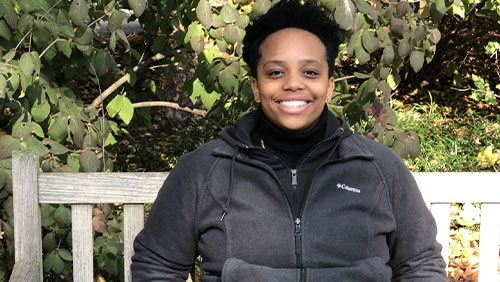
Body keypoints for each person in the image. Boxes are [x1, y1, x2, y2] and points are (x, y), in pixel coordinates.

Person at [131, 0, 448, 281]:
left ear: (329, 86)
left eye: (310, 72)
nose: (293, 84)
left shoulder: (378, 169)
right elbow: (157, 267)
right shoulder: (203, 171)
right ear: (256, 86)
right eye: (275, 73)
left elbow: (421, 266)